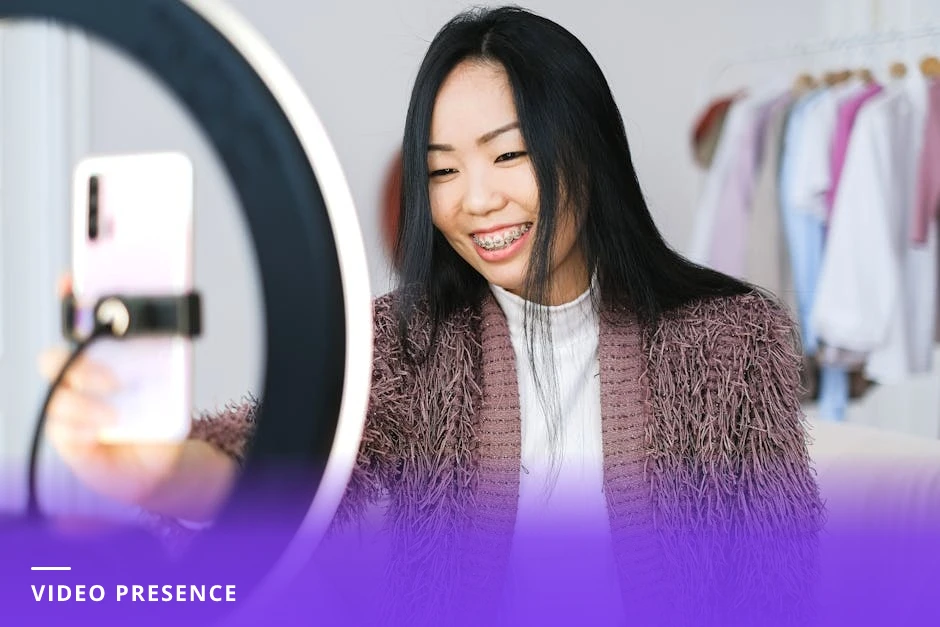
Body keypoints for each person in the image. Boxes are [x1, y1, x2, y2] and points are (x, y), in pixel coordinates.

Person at [40, 6, 823, 626]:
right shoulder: (407, 340)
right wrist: (172, 474)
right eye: (442, 170)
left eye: (509, 155)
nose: (475, 201)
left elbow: (781, 586)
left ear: (587, 149)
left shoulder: (733, 337)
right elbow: (285, 456)